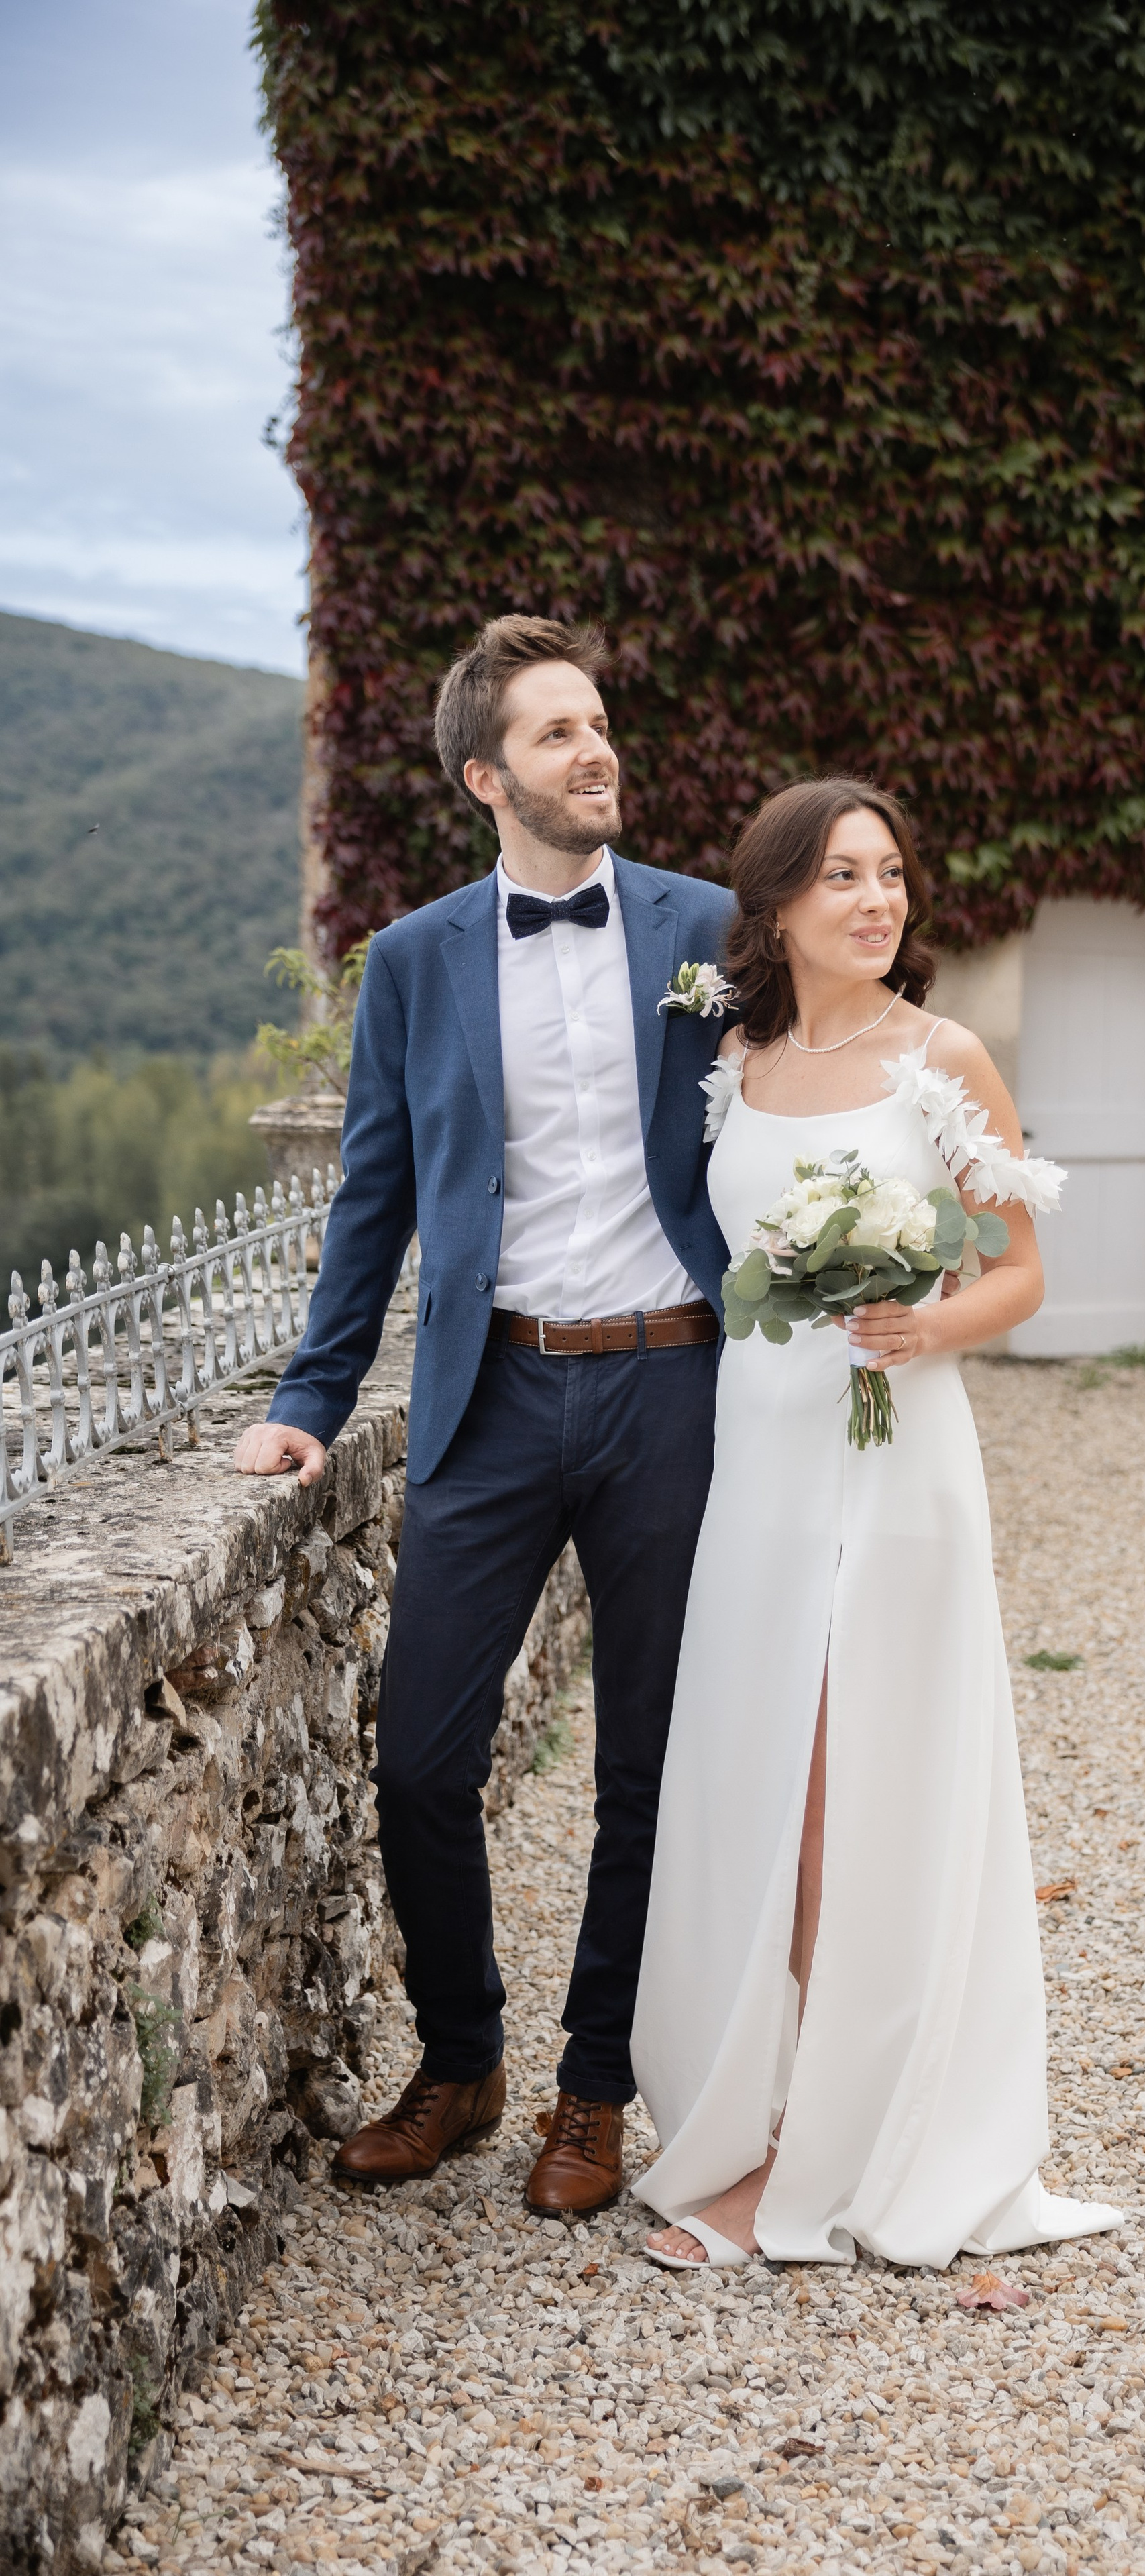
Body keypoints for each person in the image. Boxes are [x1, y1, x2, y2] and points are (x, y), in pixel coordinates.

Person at [233, 614, 734, 2214]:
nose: (596, 752)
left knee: (648, 1761)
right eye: (556, 735)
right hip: (493, 1390)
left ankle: (595, 2090)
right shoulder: (418, 957)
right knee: (419, 1759)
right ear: (484, 777)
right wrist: (312, 1397)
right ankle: (463, 2062)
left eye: (599, 723)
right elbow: (372, 1193)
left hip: (673, 1382)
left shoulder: (710, 928)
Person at [631, 777, 1122, 2268]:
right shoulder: (733, 1059)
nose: (875, 899)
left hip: (894, 1463)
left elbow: (1020, 1271)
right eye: (840, 876)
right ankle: (762, 2121)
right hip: (760, 1473)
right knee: (755, 1786)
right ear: (776, 905)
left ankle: (810, 2163)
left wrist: (925, 1327)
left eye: (890, 874)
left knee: (852, 1796)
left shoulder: (942, 1057)